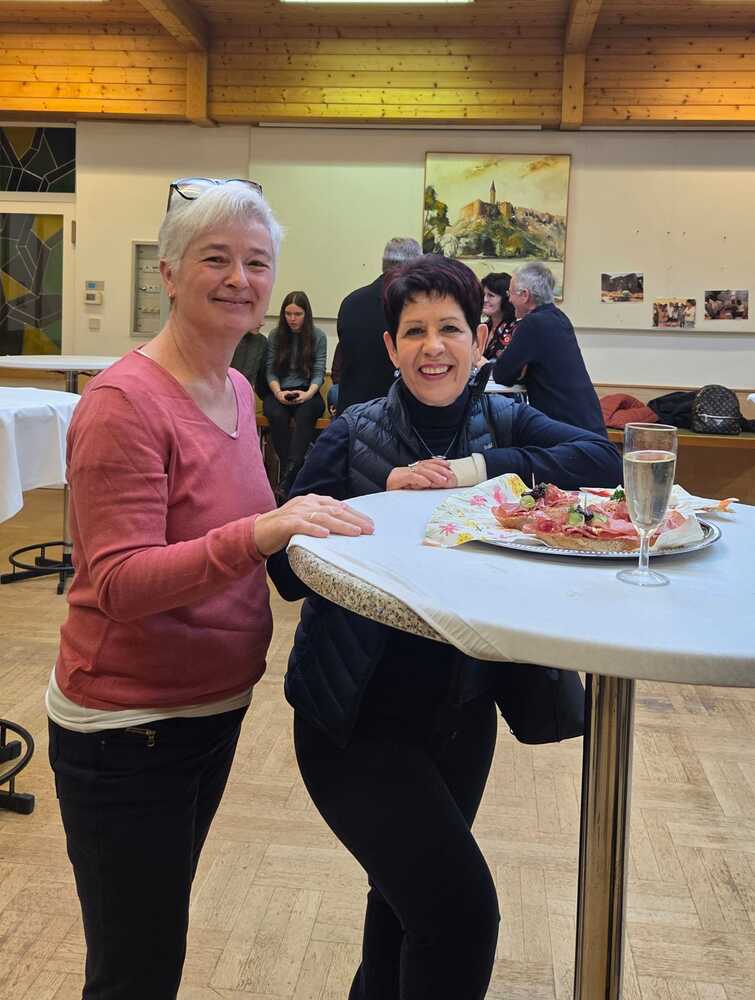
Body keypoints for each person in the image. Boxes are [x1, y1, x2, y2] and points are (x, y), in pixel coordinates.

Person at [46, 178, 373, 1000]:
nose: (239, 279)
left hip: (210, 710)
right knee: (136, 972)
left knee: (155, 942)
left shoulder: (235, 387)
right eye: (215, 258)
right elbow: (118, 582)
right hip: (129, 729)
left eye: (256, 263)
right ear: (167, 271)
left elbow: (239, 533)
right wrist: (261, 532)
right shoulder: (123, 404)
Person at [267, 255, 622, 1000]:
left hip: (461, 719)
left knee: (402, 908)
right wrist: (379, 496)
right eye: (415, 331)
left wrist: (476, 471)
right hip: (352, 721)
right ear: (390, 347)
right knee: (460, 919)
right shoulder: (352, 432)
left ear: (481, 339)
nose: (434, 347)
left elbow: (601, 460)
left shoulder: (503, 418)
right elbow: (285, 572)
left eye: (451, 329)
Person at [493, 262, 606, 435]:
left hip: (566, 431)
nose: (509, 300)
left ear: (525, 295)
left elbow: (502, 375)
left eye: (510, 293)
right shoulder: (559, 317)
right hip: (588, 424)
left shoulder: (532, 323)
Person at [335, 236, 422, 415]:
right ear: (416, 268)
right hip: (396, 413)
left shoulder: (351, 302)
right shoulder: (414, 306)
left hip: (352, 411)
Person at [263, 290, 327, 499]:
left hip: (308, 390)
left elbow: (319, 373)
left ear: (306, 314)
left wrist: (307, 394)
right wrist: (278, 392)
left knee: (306, 414)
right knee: (276, 414)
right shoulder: (275, 335)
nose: (292, 319)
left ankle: (287, 479)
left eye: (297, 314)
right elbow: (270, 371)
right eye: (288, 314)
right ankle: (290, 474)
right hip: (280, 390)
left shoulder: (318, 336)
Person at [480, 270, 516, 358]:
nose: (484, 300)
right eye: (483, 295)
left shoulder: (514, 331)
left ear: (506, 299)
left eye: (491, 295)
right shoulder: (483, 327)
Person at [230, 325, 269, 400]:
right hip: (223, 394)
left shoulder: (261, 341)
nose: (262, 323)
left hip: (246, 394)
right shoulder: (224, 338)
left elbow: (259, 378)